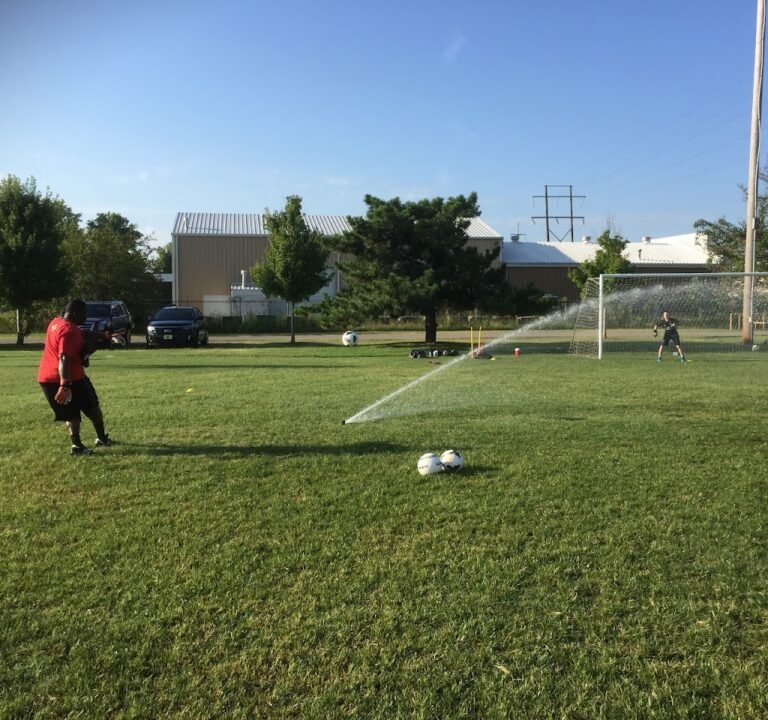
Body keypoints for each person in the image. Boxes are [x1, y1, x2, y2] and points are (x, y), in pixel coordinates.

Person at [38, 299, 113, 455]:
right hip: (71, 378)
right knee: (93, 408)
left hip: (47, 379)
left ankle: (77, 445)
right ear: (74, 313)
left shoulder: (56, 322)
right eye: (84, 314)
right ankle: (101, 438)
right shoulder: (68, 331)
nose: (86, 317)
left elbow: (82, 333)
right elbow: (64, 357)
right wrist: (65, 385)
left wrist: (103, 335)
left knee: (71, 413)